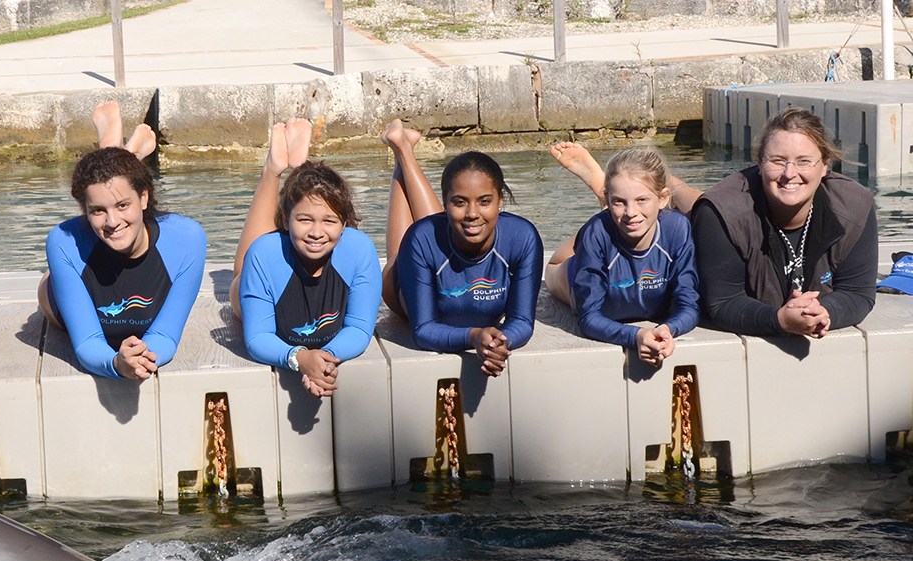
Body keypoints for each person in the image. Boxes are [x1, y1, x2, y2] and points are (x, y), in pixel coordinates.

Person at [38, 102, 204, 380]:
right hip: (57, 296)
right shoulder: (63, 241)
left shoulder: (186, 238)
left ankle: (117, 153)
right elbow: (88, 342)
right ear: (85, 212)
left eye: (123, 205)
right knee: (46, 287)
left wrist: (144, 358)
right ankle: (120, 156)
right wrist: (117, 364)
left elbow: (165, 334)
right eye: (97, 211)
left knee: (109, 184)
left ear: (144, 197)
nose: (112, 221)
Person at [691, 107, 877, 337]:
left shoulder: (855, 206)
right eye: (777, 161)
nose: (789, 173)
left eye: (804, 161)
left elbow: (857, 292)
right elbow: (723, 301)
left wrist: (822, 313)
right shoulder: (720, 213)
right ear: (759, 164)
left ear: (825, 165)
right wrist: (778, 320)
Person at [230, 118, 381, 398]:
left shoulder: (359, 251)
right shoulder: (264, 255)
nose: (316, 233)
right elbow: (257, 338)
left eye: (330, 221)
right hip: (254, 281)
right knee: (244, 268)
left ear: (345, 224)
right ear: (285, 221)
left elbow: (360, 328)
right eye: (304, 220)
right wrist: (299, 358)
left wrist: (321, 359)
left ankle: (300, 165)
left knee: (308, 203)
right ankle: (273, 170)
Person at [381, 119, 543, 378]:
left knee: (455, 227)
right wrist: (473, 336)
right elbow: (423, 330)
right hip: (399, 281)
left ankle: (403, 145)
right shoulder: (419, 239)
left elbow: (522, 321)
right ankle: (401, 149)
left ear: (500, 201)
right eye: (458, 202)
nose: (473, 212)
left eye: (485, 201)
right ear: (445, 203)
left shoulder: (522, 238)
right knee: (424, 236)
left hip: (442, 241)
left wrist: (497, 343)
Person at [543, 146, 699, 365]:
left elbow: (689, 305)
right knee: (556, 266)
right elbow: (589, 318)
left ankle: (611, 200)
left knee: (623, 223)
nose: (631, 211)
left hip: (618, 242)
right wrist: (635, 336)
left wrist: (668, 329)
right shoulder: (596, 233)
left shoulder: (678, 229)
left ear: (663, 198)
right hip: (574, 272)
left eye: (642, 200)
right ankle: (606, 208)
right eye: (619, 202)